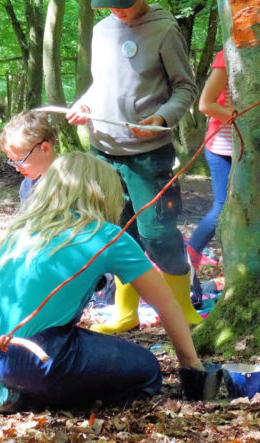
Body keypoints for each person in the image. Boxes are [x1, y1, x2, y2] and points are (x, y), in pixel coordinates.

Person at [0, 152, 203, 414]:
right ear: (104, 193)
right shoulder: (107, 236)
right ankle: (27, 398)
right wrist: (190, 366)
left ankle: (12, 388)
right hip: (33, 357)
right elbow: (166, 303)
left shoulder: (23, 227)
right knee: (146, 369)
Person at [67, 0, 202, 333]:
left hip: (148, 154)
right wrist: (83, 103)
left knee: (157, 233)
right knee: (118, 234)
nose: (117, 12)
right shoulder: (101, 31)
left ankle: (183, 310)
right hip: (104, 152)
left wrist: (161, 118)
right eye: (109, 6)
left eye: (122, 5)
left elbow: (185, 87)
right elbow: (101, 85)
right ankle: (125, 311)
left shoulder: (164, 28)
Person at [186, 50, 233, 269]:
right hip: (223, 146)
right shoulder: (227, 56)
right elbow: (205, 105)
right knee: (222, 207)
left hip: (252, 149)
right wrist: (243, 116)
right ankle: (190, 258)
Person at [0, 110, 58, 205]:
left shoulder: (76, 179)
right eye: (13, 162)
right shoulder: (27, 187)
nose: (17, 169)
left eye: (20, 160)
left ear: (45, 148)